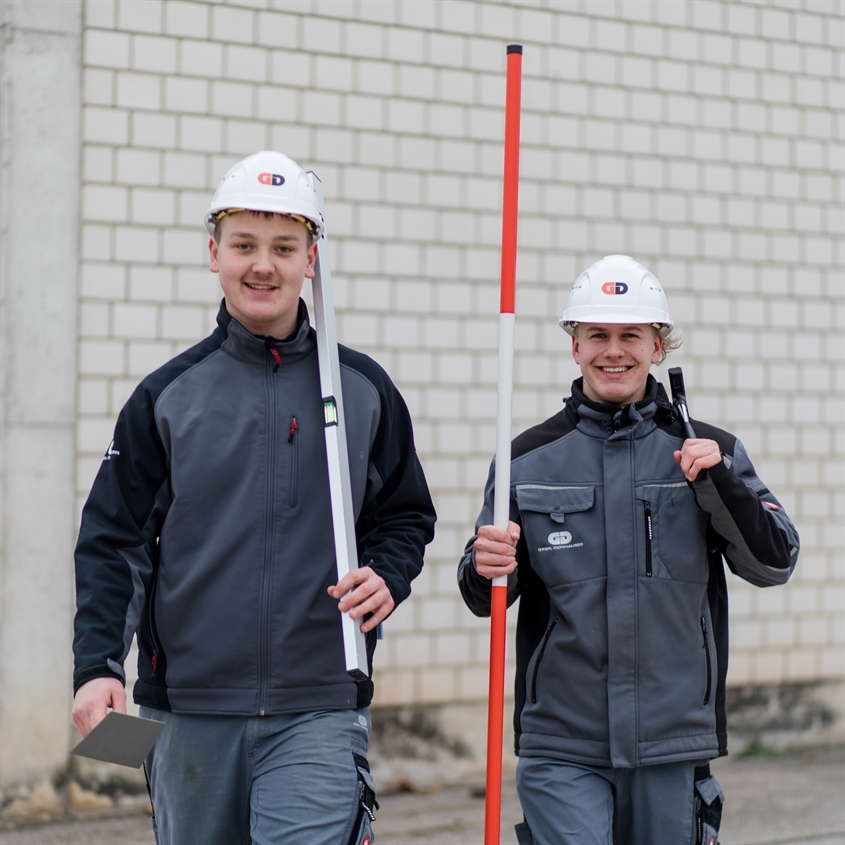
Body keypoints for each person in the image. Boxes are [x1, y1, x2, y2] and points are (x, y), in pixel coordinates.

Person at [72, 150, 436, 845]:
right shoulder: (166, 397)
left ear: (311, 258)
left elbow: (404, 515)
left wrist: (387, 574)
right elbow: (113, 543)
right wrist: (95, 666)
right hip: (188, 708)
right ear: (214, 253)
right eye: (243, 244)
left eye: (282, 246)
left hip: (320, 702)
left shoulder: (361, 389)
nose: (261, 265)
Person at [458, 255, 799, 845]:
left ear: (658, 346)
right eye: (597, 335)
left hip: (672, 738)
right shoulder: (524, 459)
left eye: (630, 336)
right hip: (561, 741)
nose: (613, 351)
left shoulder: (709, 451)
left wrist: (722, 488)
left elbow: (774, 562)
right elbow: (484, 595)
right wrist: (483, 566)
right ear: (575, 346)